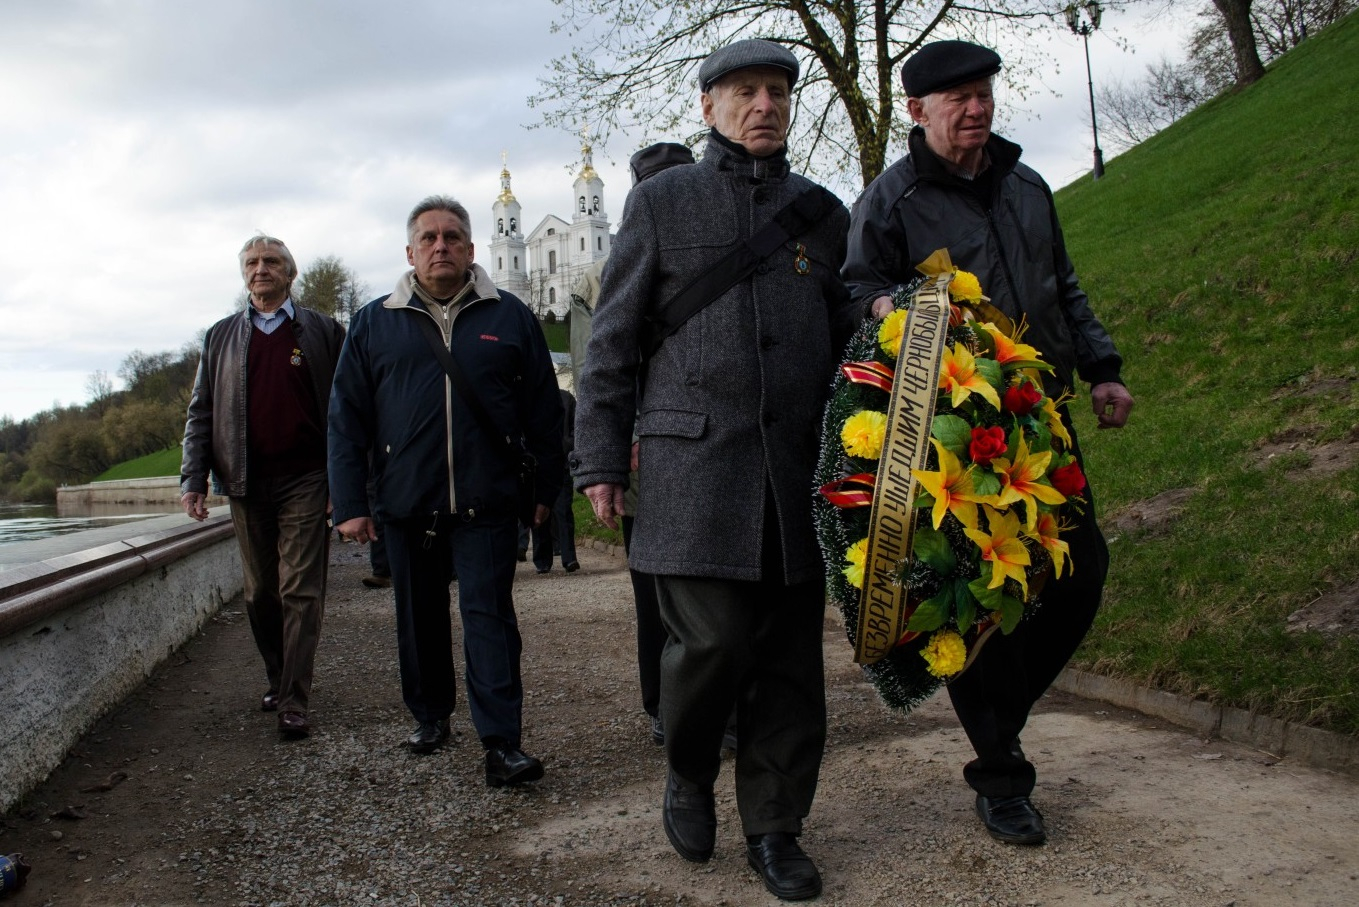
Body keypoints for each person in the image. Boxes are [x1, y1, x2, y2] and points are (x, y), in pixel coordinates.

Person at [572, 40, 860, 901]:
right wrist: (597, 456)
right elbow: (612, 340)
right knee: (711, 641)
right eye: (745, 91)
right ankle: (689, 767)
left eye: (776, 92)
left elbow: (843, 327)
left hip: (796, 469)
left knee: (787, 661)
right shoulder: (660, 202)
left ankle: (775, 827)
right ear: (708, 108)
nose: (763, 105)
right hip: (690, 469)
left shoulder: (821, 213)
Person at [842, 40, 1136, 847]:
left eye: (982, 93)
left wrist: (1102, 365)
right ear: (916, 111)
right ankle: (1001, 771)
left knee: (1078, 571)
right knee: (978, 598)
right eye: (956, 98)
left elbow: (1060, 285)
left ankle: (998, 713)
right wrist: (892, 313)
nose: (975, 108)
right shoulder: (892, 198)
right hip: (955, 432)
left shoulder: (1027, 185)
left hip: (1041, 416)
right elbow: (854, 289)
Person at [327, 196, 564, 786]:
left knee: (489, 617)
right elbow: (347, 416)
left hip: (487, 500)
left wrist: (545, 490)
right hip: (407, 501)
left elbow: (543, 413)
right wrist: (351, 502)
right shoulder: (374, 321)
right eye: (429, 238)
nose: (441, 246)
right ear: (410, 252)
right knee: (419, 617)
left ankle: (502, 743)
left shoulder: (509, 316)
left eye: (452, 237)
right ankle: (430, 715)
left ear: (471, 249)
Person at [180, 234, 346, 739]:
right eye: (251, 263)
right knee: (258, 595)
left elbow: (347, 410)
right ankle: (278, 675)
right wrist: (194, 476)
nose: (261, 269)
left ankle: (295, 699)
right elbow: (201, 411)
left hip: (307, 478)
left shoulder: (322, 331)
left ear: (290, 273)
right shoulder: (220, 337)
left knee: (301, 589)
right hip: (246, 481)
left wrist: (347, 481)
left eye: (271, 262)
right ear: (243, 274)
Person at [570, 141, 695, 747]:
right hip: (646, 447)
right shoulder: (604, 267)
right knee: (653, 586)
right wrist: (613, 446)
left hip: (712, 446)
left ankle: (711, 704)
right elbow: (600, 361)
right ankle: (663, 705)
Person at [533, 388, 580, 574]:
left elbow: (577, 426)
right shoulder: (530, 397)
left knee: (563, 511)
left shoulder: (566, 398)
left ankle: (569, 558)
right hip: (537, 465)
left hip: (561, 463)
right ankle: (542, 560)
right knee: (537, 513)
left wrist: (569, 445)